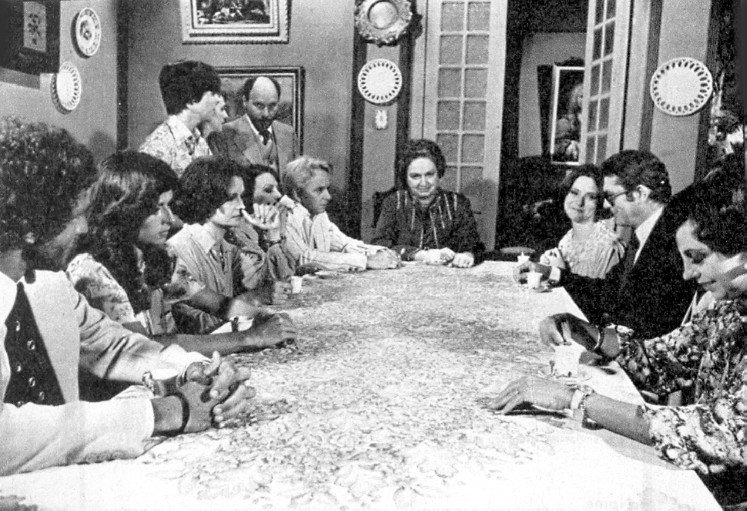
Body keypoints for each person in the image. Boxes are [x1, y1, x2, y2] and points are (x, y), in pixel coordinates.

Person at [0, 118, 252, 475]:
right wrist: (162, 413)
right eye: (75, 217)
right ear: (30, 226)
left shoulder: (49, 285)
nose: (84, 228)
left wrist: (194, 370)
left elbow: (116, 346)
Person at [486, 178, 747, 507]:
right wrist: (584, 331)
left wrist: (574, 398)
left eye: (698, 257)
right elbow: (659, 361)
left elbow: (718, 433)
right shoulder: (730, 311)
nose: (686, 274)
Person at [66, 151, 296, 356]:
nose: (169, 218)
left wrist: (263, 317)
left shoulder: (155, 255)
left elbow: (220, 305)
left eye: (168, 205)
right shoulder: (92, 270)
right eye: (157, 208)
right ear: (126, 211)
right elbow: (143, 348)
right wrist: (250, 337)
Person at [517, 150, 696, 338]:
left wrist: (594, 339)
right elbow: (609, 290)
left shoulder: (674, 242)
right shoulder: (646, 234)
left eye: (611, 197)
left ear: (640, 193)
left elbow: (647, 325)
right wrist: (552, 273)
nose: (606, 206)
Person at [168, 156, 288, 333]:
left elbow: (275, 285)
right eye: (232, 198)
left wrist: (273, 235)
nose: (241, 205)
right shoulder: (178, 249)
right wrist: (254, 299)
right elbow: (195, 324)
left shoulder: (226, 246)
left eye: (241, 196)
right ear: (206, 197)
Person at [372, 139, 484, 268]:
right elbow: (380, 246)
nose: (424, 183)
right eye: (415, 176)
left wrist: (467, 255)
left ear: (439, 173)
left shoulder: (457, 203)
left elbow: (473, 244)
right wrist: (419, 255)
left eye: (429, 174)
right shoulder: (393, 203)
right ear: (405, 178)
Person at [282, 156, 400, 272]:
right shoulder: (283, 217)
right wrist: (366, 261)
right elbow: (304, 258)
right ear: (297, 194)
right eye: (319, 190)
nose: (328, 196)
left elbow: (344, 244)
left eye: (327, 189)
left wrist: (380, 252)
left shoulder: (318, 215)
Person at [140, 60, 222, 178]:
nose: (218, 100)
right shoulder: (157, 147)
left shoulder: (199, 142)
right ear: (192, 100)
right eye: (213, 93)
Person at [539, 164, 624, 278]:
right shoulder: (567, 239)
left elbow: (600, 290)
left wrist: (560, 272)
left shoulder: (607, 246)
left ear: (600, 203)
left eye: (591, 197)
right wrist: (547, 268)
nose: (579, 202)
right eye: (574, 192)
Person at [213, 76, 298, 174]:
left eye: (272, 106)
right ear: (245, 101)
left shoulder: (288, 134)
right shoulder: (225, 134)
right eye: (259, 105)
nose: (266, 114)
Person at [230, 164, 296, 287]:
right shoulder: (238, 234)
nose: (278, 195)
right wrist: (273, 238)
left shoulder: (273, 223)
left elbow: (290, 272)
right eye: (268, 190)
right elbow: (275, 283)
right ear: (248, 195)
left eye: (277, 188)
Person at [553, 82, 583, 162]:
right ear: (575, 99)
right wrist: (570, 144)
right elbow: (556, 145)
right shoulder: (566, 121)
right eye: (581, 96)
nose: (585, 99)